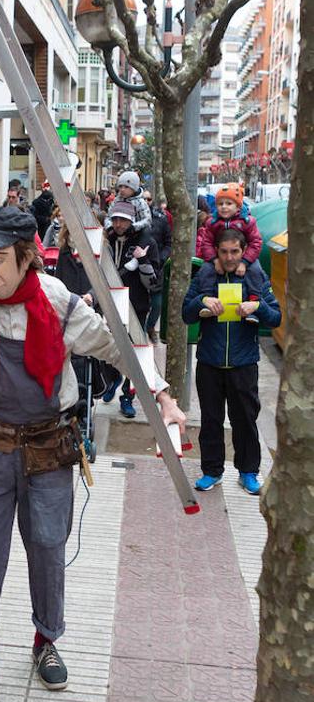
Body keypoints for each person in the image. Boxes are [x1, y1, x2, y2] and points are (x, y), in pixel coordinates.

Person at [0, 208, 184, 702]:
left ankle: (45, 643)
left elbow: (116, 348)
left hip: (49, 448)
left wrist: (162, 393)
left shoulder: (57, 302)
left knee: (48, 549)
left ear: (26, 257)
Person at [182, 228, 281, 495]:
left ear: (244, 250)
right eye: (224, 251)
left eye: (234, 251)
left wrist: (257, 307)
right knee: (211, 421)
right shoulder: (205, 275)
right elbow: (186, 313)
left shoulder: (255, 276)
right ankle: (211, 471)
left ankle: (248, 472)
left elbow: (276, 318)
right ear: (216, 250)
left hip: (244, 363)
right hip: (210, 362)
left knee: (245, 421)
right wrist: (203, 300)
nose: (229, 257)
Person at [103, 200, 160, 418]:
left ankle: (127, 396)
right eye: (115, 219)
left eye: (123, 220)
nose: (118, 224)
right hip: (109, 303)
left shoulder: (146, 241)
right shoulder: (105, 238)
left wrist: (143, 260)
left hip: (136, 304)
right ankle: (111, 378)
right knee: (108, 343)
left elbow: (153, 282)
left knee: (135, 351)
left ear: (132, 221)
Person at [197, 183, 264, 323]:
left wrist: (245, 262)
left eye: (229, 203)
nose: (224, 207)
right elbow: (206, 243)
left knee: (256, 270)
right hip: (218, 257)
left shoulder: (247, 221)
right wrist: (215, 260)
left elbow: (256, 243)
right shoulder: (213, 222)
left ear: (238, 206)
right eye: (220, 203)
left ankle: (254, 303)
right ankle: (208, 300)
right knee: (206, 269)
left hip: (244, 258)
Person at [144, 190, 172, 341]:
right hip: (136, 268)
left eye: (148, 199)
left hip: (157, 268)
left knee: (157, 304)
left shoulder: (161, 219)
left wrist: (160, 259)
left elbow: (169, 243)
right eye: (143, 199)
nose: (145, 201)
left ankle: (150, 327)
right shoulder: (133, 217)